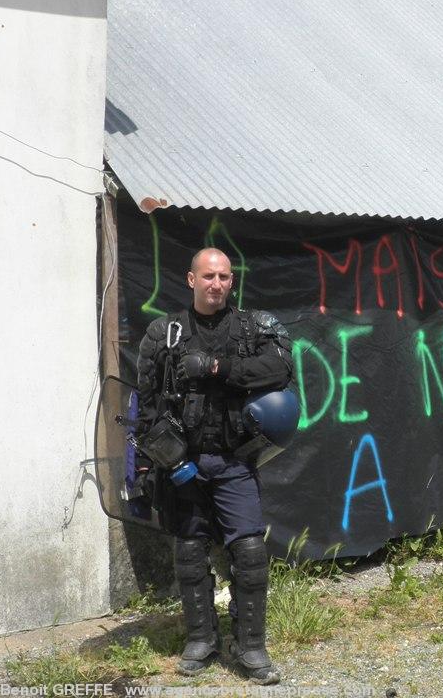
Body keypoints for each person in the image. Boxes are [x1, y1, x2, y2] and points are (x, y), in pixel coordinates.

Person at [134, 248, 292, 684]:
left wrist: (218, 367)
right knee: (189, 550)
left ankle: (250, 646)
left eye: (224, 276)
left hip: (233, 460)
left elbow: (280, 368)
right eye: (209, 276)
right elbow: (145, 404)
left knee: (250, 551)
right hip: (181, 462)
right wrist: (150, 466)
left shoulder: (253, 326)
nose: (217, 284)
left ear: (232, 281)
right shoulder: (163, 333)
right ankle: (202, 639)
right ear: (191, 279)